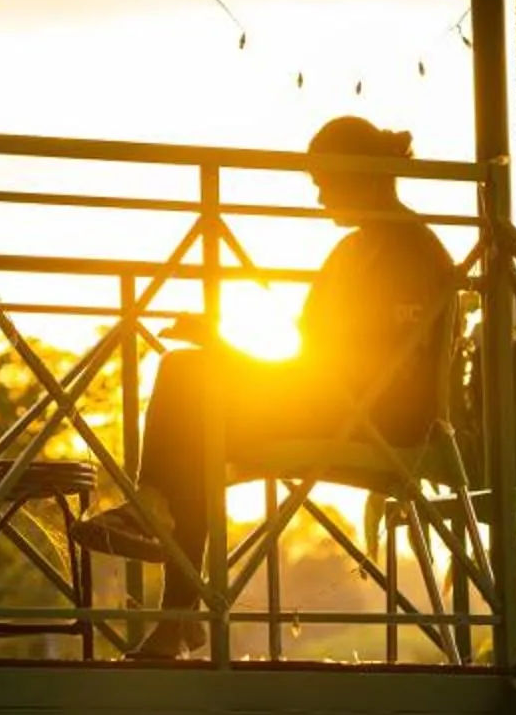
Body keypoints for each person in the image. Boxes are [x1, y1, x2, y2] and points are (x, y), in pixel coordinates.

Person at [72, 115, 464, 657]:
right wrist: (227, 349)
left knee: (190, 378)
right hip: (333, 400)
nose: (319, 196)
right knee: (196, 406)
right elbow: (317, 363)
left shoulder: (410, 253)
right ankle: (168, 579)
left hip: (379, 419)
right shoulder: (361, 248)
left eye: (323, 181)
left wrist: (228, 352)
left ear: (359, 175)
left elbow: (372, 371)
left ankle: (161, 544)